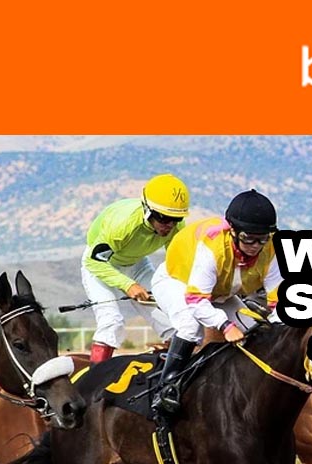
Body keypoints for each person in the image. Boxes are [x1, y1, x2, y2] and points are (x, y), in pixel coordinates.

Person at [150, 189, 282, 416]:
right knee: (191, 326)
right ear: (233, 231)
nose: (255, 246)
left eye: (262, 239)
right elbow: (196, 300)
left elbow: (279, 301)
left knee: (253, 331)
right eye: (248, 238)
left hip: (220, 293)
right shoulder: (213, 247)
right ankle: (167, 388)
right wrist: (225, 326)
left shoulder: (270, 249)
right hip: (178, 283)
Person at [81, 174, 187, 364]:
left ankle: (175, 368)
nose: (170, 225)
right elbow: (93, 262)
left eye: (176, 219)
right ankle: (95, 375)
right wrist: (128, 285)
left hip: (137, 264)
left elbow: (178, 264)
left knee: (175, 318)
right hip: (102, 265)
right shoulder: (123, 224)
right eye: (163, 218)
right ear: (147, 210)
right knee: (111, 322)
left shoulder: (176, 227)